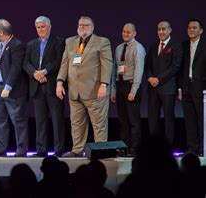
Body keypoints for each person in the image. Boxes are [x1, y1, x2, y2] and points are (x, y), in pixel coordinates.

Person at [56, 16, 113, 157]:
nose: (82, 27)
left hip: (94, 90)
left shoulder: (102, 42)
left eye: (85, 25)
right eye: (80, 25)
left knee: (99, 124)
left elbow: (107, 64)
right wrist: (59, 82)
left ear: (92, 27)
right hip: (74, 91)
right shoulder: (70, 42)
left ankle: (100, 150)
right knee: (76, 124)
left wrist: (104, 84)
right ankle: (77, 150)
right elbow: (65, 63)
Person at [0, 19, 29, 157]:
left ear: (2, 32)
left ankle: (21, 149)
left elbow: (16, 68)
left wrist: (8, 86)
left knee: (18, 120)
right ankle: (0, 148)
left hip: (13, 89)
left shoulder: (17, 45)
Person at [23, 16, 65, 157]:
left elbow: (58, 61)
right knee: (40, 121)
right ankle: (41, 150)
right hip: (37, 87)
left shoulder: (59, 42)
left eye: (43, 27)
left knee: (57, 120)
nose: (40, 29)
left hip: (52, 86)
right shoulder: (31, 44)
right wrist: (35, 73)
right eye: (38, 27)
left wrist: (44, 71)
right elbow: (26, 63)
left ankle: (58, 150)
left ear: (49, 27)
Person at [110, 23, 146, 156]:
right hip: (120, 86)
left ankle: (135, 149)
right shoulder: (119, 48)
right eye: (124, 31)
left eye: (128, 32)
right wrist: (113, 89)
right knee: (123, 120)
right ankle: (124, 147)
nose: (125, 34)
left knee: (134, 121)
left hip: (132, 86)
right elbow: (115, 69)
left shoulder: (138, 48)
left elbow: (139, 71)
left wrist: (133, 91)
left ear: (134, 33)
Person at [145, 20, 182, 146]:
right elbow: (148, 65)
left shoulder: (176, 45)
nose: (161, 31)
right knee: (152, 119)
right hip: (153, 89)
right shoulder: (154, 45)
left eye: (164, 29)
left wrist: (158, 79)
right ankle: (155, 147)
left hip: (168, 88)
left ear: (170, 30)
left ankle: (168, 147)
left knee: (169, 119)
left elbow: (175, 67)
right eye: (159, 29)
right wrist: (150, 78)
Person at [178, 19, 206, 155]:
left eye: (195, 28)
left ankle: (202, 148)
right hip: (186, 88)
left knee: (202, 120)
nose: (191, 30)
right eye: (189, 27)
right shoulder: (183, 46)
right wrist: (179, 88)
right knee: (189, 121)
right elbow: (180, 69)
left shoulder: (205, 45)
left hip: (201, 88)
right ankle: (192, 149)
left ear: (201, 30)